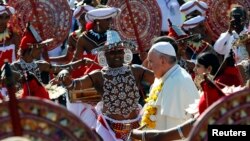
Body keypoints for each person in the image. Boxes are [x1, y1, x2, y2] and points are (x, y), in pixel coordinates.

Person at [52, 30, 155, 141]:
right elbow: (74, 86)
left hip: (136, 127)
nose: (116, 55)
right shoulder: (98, 76)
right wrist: (65, 75)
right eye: (112, 52)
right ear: (104, 55)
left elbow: (159, 78)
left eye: (119, 51)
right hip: (108, 129)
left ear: (125, 53)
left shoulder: (136, 70)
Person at [130, 52, 244, 141]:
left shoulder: (203, 116)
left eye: (198, 66)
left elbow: (159, 137)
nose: (194, 69)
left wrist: (133, 133)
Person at [9, 23, 94, 100]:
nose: (41, 51)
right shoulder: (13, 67)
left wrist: (81, 62)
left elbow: (63, 68)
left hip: (39, 102)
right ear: (31, 48)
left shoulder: (41, 65)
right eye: (39, 48)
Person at [140, 41, 199, 131]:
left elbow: (175, 129)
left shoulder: (177, 82)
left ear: (162, 60)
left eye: (151, 62)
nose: (149, 67)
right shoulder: (164, 76)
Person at [0, 3, 20, 98]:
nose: (3, 21)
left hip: (11, 82)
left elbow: (20, 58)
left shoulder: (14, 36)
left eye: (6, 17)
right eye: (0, 17)